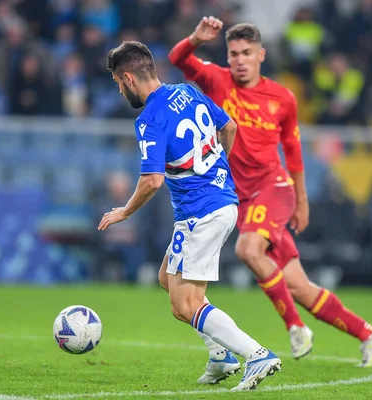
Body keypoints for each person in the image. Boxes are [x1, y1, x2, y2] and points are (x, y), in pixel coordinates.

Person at [168, 16, 372, 372]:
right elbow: (178, 59)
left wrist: (302, 201)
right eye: (233, 53)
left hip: (273, 188)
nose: (239, 60)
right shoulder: (216, 79)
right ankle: (369, 334)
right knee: (300, 288)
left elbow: (294, 151)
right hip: (241, 199)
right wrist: (196, 38)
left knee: (247, 249)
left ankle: (294, 327)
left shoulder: (282, 97)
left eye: (246, 53)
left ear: (261, 55)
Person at [98, 41, 281, 391]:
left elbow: (152, 181)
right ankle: (219, 356)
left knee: (184, 305)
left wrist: (124, 211)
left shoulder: (149, 120)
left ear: (128, 78)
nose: (120, 91)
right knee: (168, 277)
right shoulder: (187, 91)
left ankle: (256, 354)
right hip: (217, 201)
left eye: (119, 84)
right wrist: (215, 170)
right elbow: (229, 129)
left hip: (202, 212)